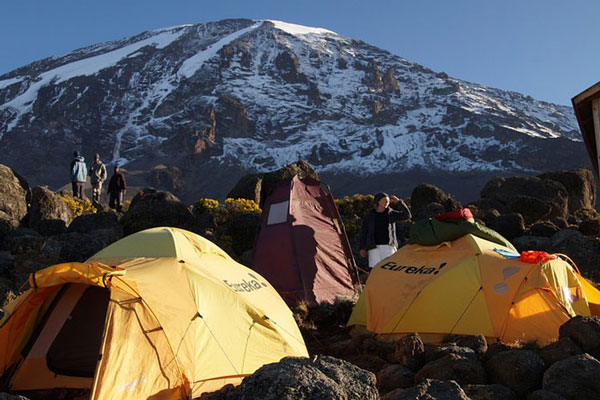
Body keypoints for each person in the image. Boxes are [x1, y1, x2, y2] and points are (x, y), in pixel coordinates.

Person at [358, 192, 412, 269]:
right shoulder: (369, 216)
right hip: (374, 248)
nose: (387, 202)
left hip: (388, 247)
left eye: (388, 201)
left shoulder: (391, 214)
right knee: (374, 270)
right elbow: (364, 232)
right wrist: (362, 247)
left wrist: (399, 203)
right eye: (384, 200)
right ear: (378, 202)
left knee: (390, 270)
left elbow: (407, 215)